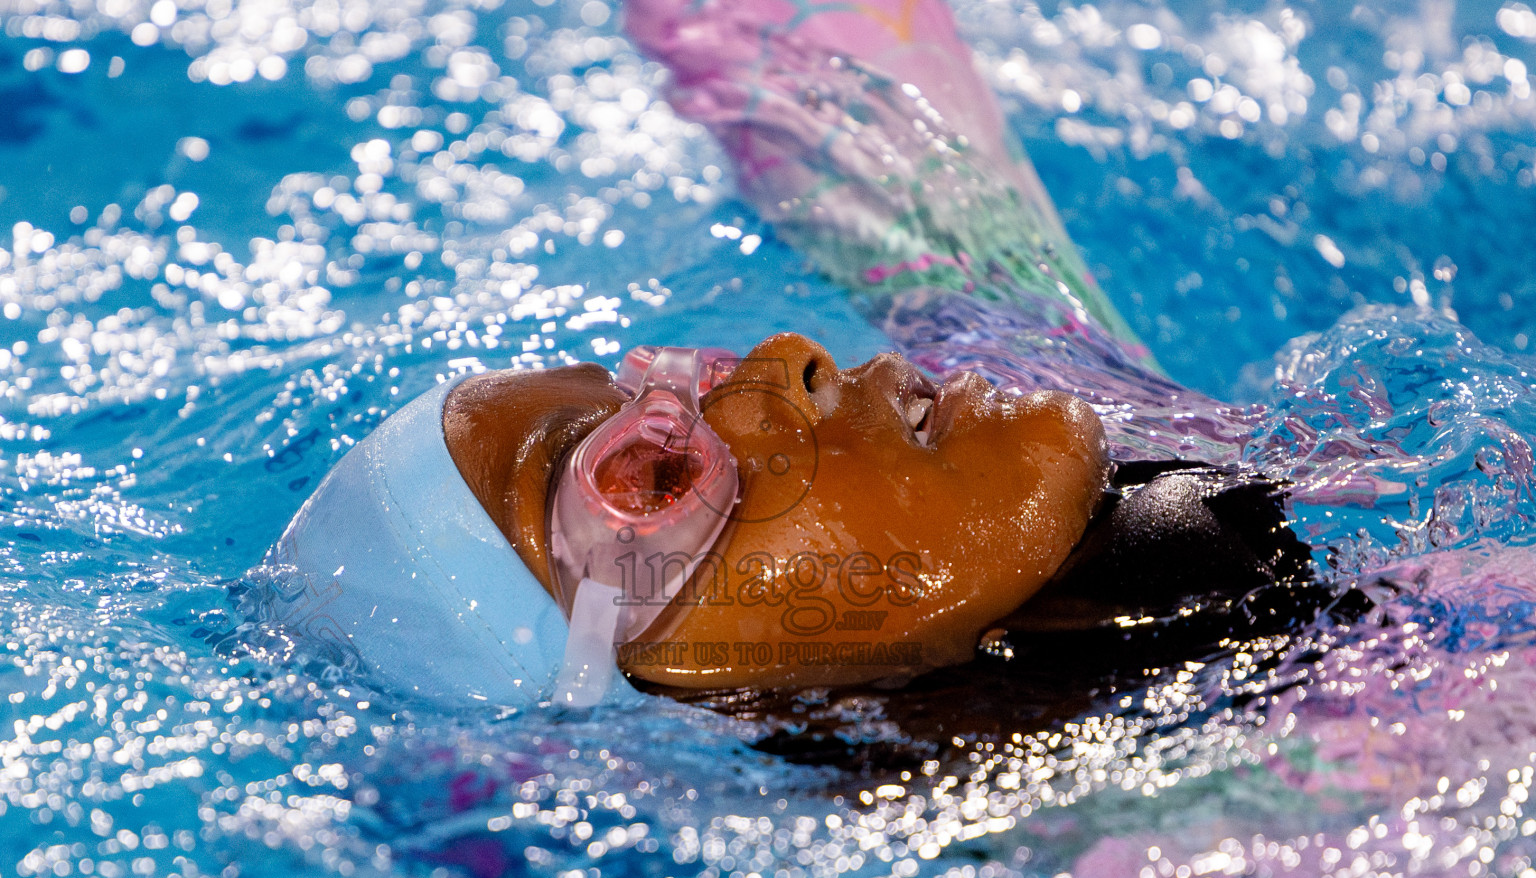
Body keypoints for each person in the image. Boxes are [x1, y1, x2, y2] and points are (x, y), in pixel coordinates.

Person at [258, 0, 1334, 712]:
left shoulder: (1035, 361)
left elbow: (794, 51)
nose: (791, 359)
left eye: (669, 389)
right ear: (680, 689)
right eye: (647, 473)